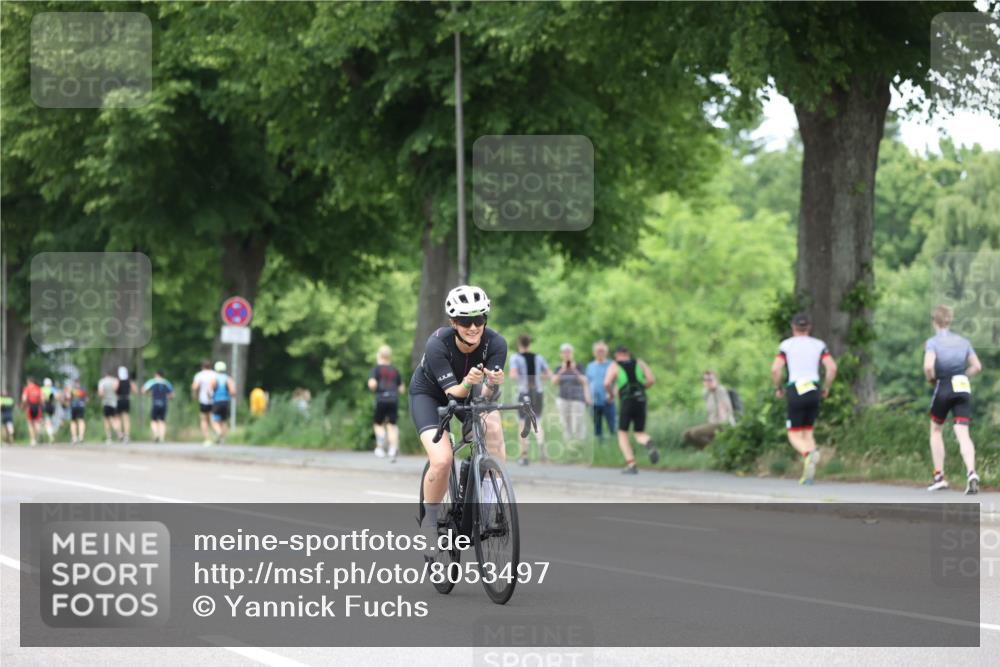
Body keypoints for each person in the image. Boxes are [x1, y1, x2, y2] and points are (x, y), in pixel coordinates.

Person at [410, 285, 507, 540]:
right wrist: (467, 382)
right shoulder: (437, 344)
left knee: (494, 433)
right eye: (465, 321)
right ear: (454, 322)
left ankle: (486, 508)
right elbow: (453, 393)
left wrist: (491, 383)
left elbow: (485, 396)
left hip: (469, 394)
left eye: (479, 319)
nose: (473, 327)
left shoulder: (496, 343)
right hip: (430, 395)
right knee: (441, 460)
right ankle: (430, 524)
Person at [771, 313, 838, 485]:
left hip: (795, 387)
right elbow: (831, 368)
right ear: (809, 328)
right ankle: (808, 474)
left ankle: (809, 454)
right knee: (807, 431)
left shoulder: (786, 345)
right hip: (813, 387)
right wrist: (826, 387)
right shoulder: (819, 345)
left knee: (793, 434)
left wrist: (778, 387)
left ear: (793, 327)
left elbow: (775, 369)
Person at [924, 305, 982, 494]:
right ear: (950, 321)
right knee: (963, 432)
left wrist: (932, 379)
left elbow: (928, 366)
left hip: (944, 384)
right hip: (962, 384)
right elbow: (977, 366)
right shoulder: (963, 341)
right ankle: (971, 472)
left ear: (935, 322)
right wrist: (963, 375)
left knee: (936, 430)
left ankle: (939, 476)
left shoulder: (933, 342)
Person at [604, 346, 659, 474]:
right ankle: (648, 442)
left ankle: (631, 464)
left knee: (622, 433)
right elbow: (651, 380)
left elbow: (606, 383)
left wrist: (612, 395)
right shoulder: (639, 362)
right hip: (641, 400)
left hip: (627, 401)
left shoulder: (614, 365)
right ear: (628, 354)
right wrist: (640, 388)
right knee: (639, 433)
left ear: (617, 355)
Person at [508, 334, 551, 465]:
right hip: (538, 393)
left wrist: (518, 376)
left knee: (523, 424)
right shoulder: (538, 357)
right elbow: (548, 374)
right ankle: (542, 448)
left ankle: (524, 456)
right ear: (529, 344)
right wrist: (538, 377)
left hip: (524, 392)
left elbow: (513, 375)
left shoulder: (515, 358)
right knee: (537, 421)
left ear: (519, 344)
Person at [368, 345, 406, 461]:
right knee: (391, 425)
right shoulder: (395, 370)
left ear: (379, 355)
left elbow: (372, 384)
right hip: (393, 399)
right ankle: (392, 449)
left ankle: (380, 447)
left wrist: (374, 388)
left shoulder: (376, 369)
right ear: (390, 356)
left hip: (381, 398)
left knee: (378, 424)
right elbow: (402, 389)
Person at [682, 370, 736, 448]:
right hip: (712, 423)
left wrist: (723, 426)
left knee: (695, 433)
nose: (708, 382)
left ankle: (713, 449)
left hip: (722, 424)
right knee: (686, 434)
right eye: (705, 380)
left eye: (710, 380)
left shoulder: (720, 391)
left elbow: (723, 409)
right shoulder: (707, 393)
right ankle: (709, 450)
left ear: (716, 381)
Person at [553, 343, 590, 446]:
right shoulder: (559, 367)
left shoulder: (579, 366)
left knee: (578, 422)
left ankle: (580, 444)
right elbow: (554, 382)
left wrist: (574, 370)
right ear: (561, 354)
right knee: (565, 422)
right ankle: (568, 444)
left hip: (577, 399)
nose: (567, 354)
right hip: (563, 399)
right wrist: (563, 370)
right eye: (564, 352)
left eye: (568, 352)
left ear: (572, 353)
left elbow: (584, 381)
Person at [586, 340, 616, 439]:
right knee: (597, 429)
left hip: (608, 401)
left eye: (602, 351)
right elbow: (587, 383)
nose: (600, 353)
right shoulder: (590, 366)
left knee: (613, 426)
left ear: (606, 352)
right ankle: (600, 448)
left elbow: (617, 382)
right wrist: (588, 397)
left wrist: (612, 394)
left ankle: (616, 446)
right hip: (595, 401)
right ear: (594, 352)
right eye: (598, 351)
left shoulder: (612, 365)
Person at [143, 371, 175, 443]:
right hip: (163, 403)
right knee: (162, 421)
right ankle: (162, 438)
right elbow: (172, 395)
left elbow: (144, 390)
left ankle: (156, 434)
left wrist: (149, 394)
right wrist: (167, 397)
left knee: (153, 420)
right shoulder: (166, 383)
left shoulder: (152, 381)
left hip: (155, 403)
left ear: (156, 375)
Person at [208, 361, 236, 444]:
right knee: (224, 421)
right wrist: (232, 396)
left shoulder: (214, 379)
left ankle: (218, 432)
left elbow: (209, 390)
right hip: (226, 401)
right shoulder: (228, 379)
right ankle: (222, 440)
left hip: (217, 401)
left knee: (214, 420)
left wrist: (210, 397)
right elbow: (233, 391)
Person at [191, 360, 216, 445]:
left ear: (202, 367)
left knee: (204, 419)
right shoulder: (214, 374)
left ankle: (207, 438)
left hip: (203, 400)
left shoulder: (199, 375)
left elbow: (195, 387)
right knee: (213, 418)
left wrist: (194, 395)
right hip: (214, 399)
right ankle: (217, 434)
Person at [115, 366, 137, 443]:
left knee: (118, 418)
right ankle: (127, 435)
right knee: (126, 419)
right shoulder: (129, 381)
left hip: (119, 399)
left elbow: (114, 389)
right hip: (127, 399)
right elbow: (135, 390)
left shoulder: (118, 381)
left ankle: (120, 433)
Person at [97, 369, 120, 444]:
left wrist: (102, 396)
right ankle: (119, 432)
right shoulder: (115, 380)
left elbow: (101, 393)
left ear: (105, 374)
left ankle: (109, 437)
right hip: (115, 402)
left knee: (107, 420)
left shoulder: (102, 381)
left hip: (106, 402)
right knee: (115, 418)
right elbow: (117, 390)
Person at [20, 376, 43, 447]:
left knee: (30, 424)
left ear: (29, 381)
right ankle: (39, 432)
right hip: (37, 406)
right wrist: (41, 405)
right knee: (37, 422)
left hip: (30, 407)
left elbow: (24, 399)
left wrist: (22, 406)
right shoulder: (38, 388)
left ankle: (33, 440)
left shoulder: (27, 389)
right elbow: (42, 398)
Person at [41, 378, 58, 444]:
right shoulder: (53, 389)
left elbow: (41, 399)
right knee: (51, 421)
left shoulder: (42, 389)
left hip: (45, 407)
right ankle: (50, 434)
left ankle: (50, 436)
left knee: (47, 422)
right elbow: (57, 397)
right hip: (52, 407)